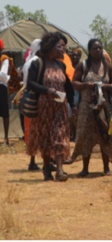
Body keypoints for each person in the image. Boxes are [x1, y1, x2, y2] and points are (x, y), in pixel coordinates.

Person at [26, 32, 75, 181]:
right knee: (46, 137)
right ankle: (47, 168)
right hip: (43, 107)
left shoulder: (61, 64)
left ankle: (59, 170)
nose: (63, 50)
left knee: (60, 136)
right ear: (50, 47)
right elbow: (30, 83)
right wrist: (47, 90)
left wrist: (72, 105)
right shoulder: (38, 63)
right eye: (60, 47)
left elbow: (68, 87)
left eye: (64, 47)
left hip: (60, 108)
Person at [70, 38, 112, 177]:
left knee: (104, 135)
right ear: (89, 50)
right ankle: (85, 168)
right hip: (86, 107)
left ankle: (106, 167)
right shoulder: (83, 65)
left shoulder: (108, 66)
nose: (98, 50)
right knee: (86, 136)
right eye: (94, 48)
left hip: (103, 106)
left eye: (100, 48)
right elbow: (74, 82)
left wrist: (105, 86)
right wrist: (87, 85)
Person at [22, 39, 42, 170]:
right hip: (35, 100)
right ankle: (33, 160)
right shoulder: (36, 62)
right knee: (36, 130)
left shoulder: (28, 61)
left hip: (28, 98)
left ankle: (33, 160)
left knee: (32, 130)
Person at [0, 39, 10, 145]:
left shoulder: (4, 59)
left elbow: (3, 76)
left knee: (4, 112)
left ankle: (6, 138)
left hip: (1, 87)